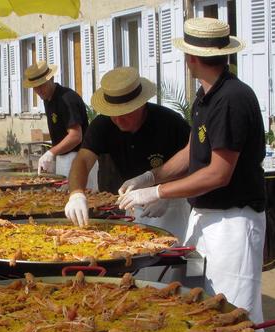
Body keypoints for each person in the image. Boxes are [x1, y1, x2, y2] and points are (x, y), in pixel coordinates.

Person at [115, 18, 266, 332]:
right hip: (209, 217)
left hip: (233, 220)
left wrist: (160, 192)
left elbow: (218, 172)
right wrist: (150, 177)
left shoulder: (232, 99)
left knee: (235, 318)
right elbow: (192, 152)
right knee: (205, 307)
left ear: (192, 58)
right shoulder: (207, 95)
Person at [64, 67, 190, 240]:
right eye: (113, 114)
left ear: (141, 104)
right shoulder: (102, 124)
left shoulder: (171, 123)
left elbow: (194, 161)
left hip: (169, 206)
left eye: (125, 113)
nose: (118, 120)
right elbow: (83, 160)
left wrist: (165, 195)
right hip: (127, 206)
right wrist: (76, 193)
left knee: (169, 258)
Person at [22, 60, 97, 187]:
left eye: (41, 85)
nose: (38, 90)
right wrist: (54, 156)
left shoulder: (66, 99)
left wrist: (51, 153)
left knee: (83, 200)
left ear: (51, 78)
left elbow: (75, 136)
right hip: (64, 157)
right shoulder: (48, 98)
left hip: (79, 157)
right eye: (35, 87)